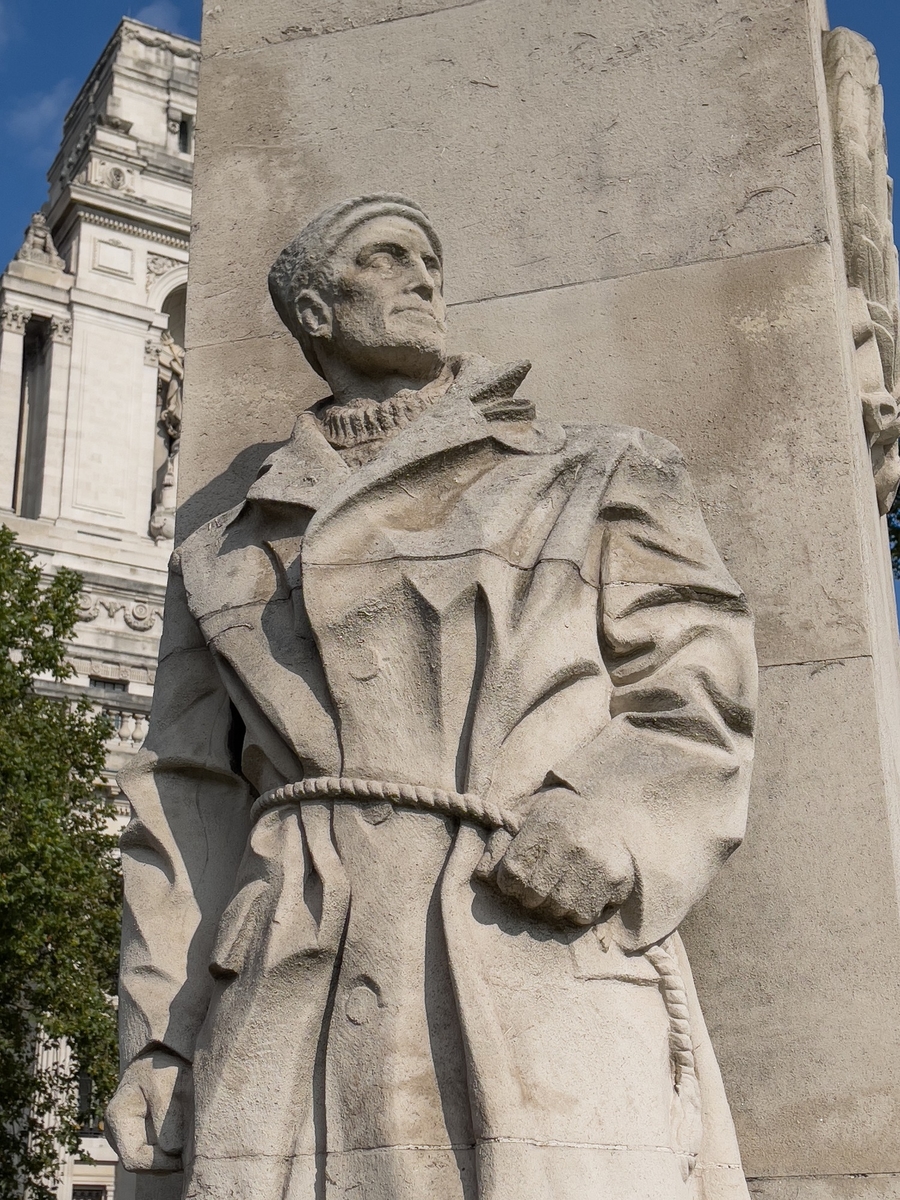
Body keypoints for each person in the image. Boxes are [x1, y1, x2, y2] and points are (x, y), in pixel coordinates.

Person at [107, 194, 757, 1200]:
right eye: (385, 257)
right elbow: (183, 810)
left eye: (431, 260)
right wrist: (157, 1045)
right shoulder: (217, 549)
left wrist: (609, 819)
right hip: (287, 986)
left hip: (523, 944)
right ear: (315, 313)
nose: (423, 276)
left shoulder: (594, 470)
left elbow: (698, 689)